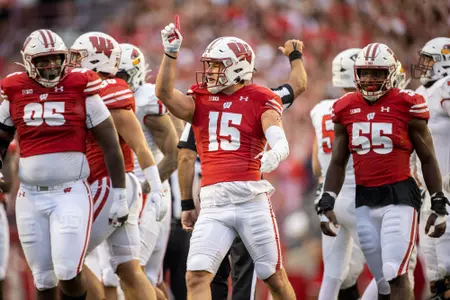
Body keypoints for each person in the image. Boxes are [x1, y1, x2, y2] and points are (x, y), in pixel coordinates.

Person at [156, 16, 305, 300]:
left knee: (274, 276)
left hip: (251, 200)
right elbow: (163, 92)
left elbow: (277, 134)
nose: (209, 72)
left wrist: (277, 152)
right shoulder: (199, 99)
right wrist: (170, 53)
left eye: (215, 65)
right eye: (209, 65)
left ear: (237, 68)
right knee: (196, 275)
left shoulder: (261, 96)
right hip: (213, 202)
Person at [0, 29, 126, 300]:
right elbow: (1, 138)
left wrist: (120, 193)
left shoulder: (80, 86)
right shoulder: (14, 90)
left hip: (70, 192)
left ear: (65, 58)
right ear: (28, 61)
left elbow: (111, 144)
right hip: (30, 196)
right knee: (43, 278)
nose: (51, 66)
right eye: (43, 61)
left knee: (69, 270)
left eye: (56, 59)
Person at [317, 42, 448, 300]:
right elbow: (337, 161)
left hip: (400, 196)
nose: (369, 78)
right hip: (364, 201)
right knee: (383, 283)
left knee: (395, 272)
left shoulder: (407, 103)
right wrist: (327, 199)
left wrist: (438, 200)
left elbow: (428, 157)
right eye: (365, 72)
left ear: (390, 73)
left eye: (376, 73)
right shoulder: (345, 107)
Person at [70, 31, 165, 300]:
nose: (73, 63)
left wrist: (156, 189)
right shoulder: (91, 92)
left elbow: (140, 146)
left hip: (110, 184)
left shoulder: (110, 92)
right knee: (128, 270)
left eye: (79, 58)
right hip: (117, 185)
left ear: (96, 62)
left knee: (67, 258)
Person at [117, 42, 179, 300]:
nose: (113, 82)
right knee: (148, 279)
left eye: (119, 76)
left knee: (132, 274)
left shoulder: (145, 101)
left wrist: (145, 188)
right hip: (136, 192)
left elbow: (174, 154)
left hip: (146, 193)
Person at [412, 37, 450, 299]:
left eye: (429, 60)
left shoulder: (445, 87)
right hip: (428, 195)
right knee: (434, 271)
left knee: (447, 265)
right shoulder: (422, 92)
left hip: (447, 189)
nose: (423, 65)